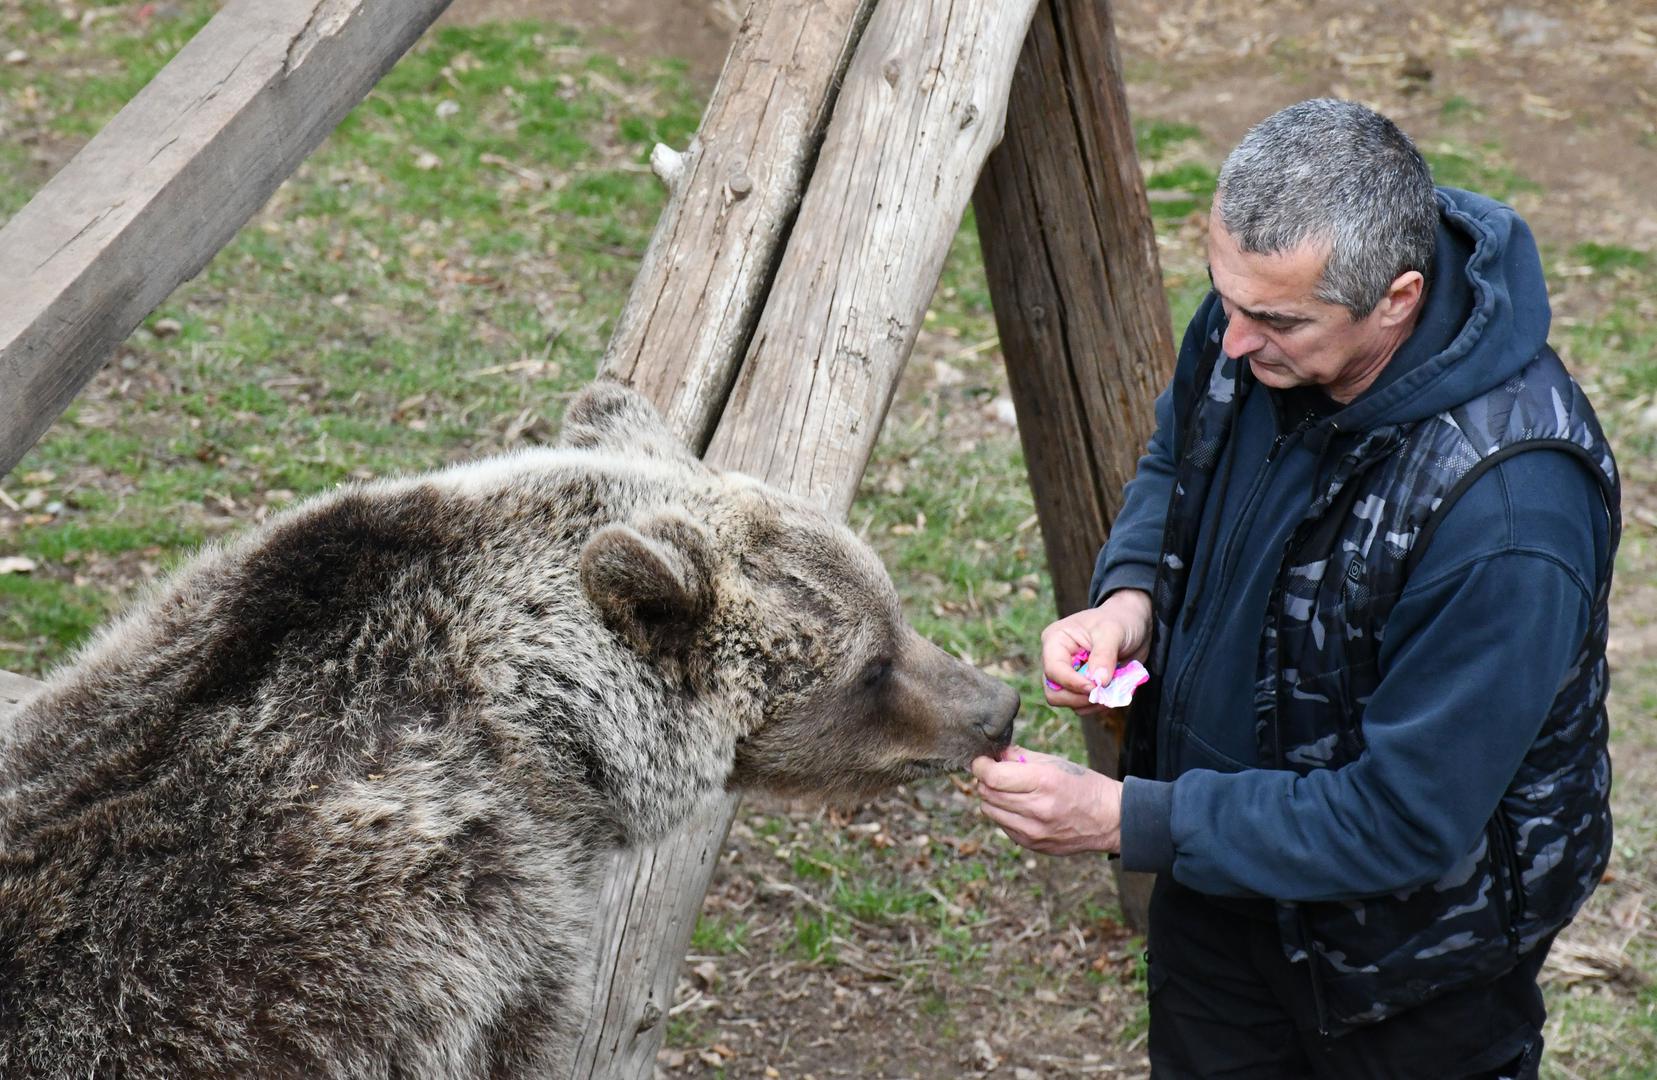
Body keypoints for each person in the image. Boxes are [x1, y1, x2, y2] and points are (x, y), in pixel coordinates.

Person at [971, 98, 1620, 1080]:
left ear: (1396, 299)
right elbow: (1174, 464)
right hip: (1220, 897)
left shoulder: (1509, 517)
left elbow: (1405, 820)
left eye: (1271, 319)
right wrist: (1129, 597)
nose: (1228, 341)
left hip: (1406, 975)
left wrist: (1124, 819)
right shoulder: (1260, 316)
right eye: (1221, 299)